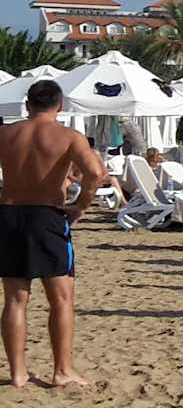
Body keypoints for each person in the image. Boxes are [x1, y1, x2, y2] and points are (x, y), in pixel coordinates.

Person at [0, 80, 105, 389]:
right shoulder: (68, 136)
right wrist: (80, 206)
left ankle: (18, 373)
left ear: (27, 104)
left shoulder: (5, 133)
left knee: (15, 299)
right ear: (60, 105)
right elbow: (96, 173)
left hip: (8, 214)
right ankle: (61, 370)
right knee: (61, 299)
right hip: (46, 216)